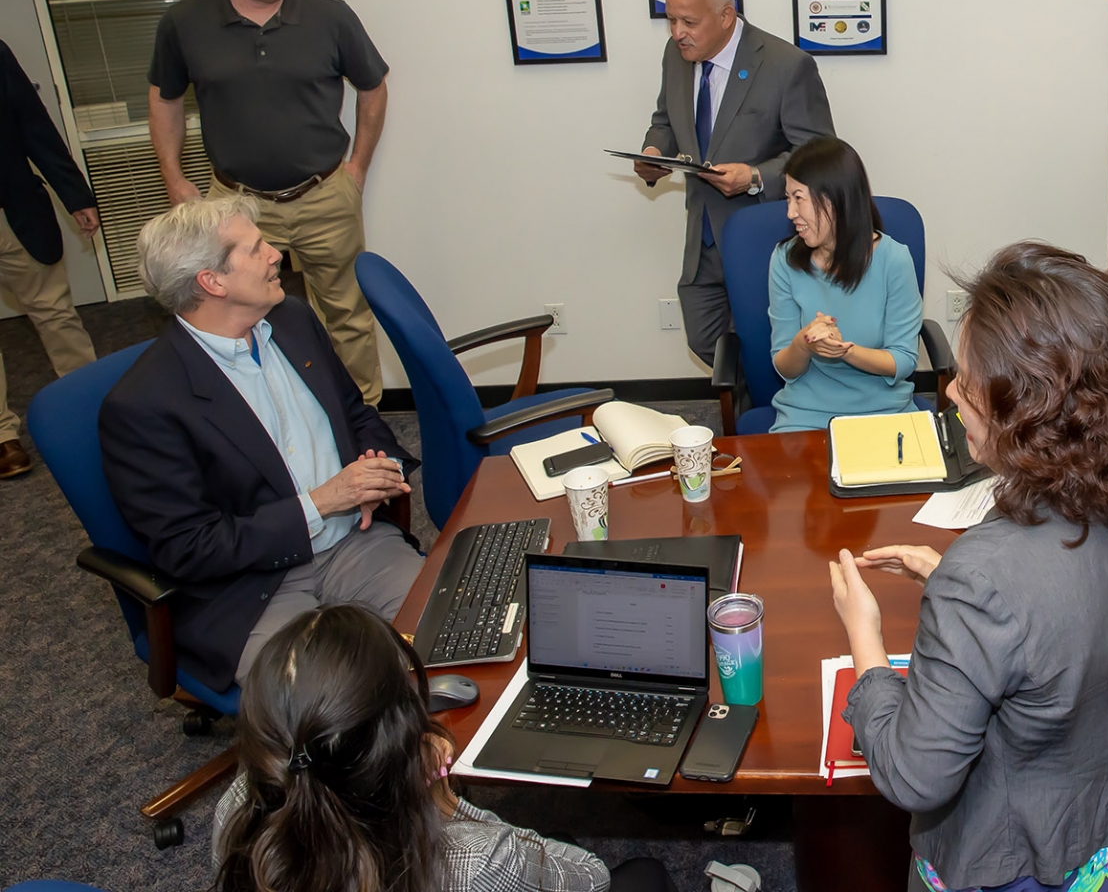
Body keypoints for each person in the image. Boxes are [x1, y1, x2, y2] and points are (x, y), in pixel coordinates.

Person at [828, 242, 1108, 892]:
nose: (951, 393)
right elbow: (1070, 629)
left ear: (1023, 409)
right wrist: (957, 588)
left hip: (1018, 861)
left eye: (965, 380)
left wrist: (865, 639)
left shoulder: (985, 577)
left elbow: (914, 774)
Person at [100, 196, 420, 692]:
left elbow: (355, 413)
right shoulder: (144, 405)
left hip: (354, 543)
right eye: (256, 248)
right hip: (253, 589)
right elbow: (188, 547)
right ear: (213, 281)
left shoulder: (292, 320)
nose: (276, 254)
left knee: (459, 632)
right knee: (334, 702)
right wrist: (319, 503)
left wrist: (378, 470)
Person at [211, 604, 679, 892]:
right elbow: (589, 877)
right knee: (642, 873)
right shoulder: (474, 861)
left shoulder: (235, 813)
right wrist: (445, 802)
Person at [148, 0, 391, 406]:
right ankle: (264, 415)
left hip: (325, 195)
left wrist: (357, 170)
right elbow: (164, 99)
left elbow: (374, 87)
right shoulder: (186, 22)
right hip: (237, 207)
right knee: (238, 313)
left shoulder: (329, 14)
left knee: (347, 313)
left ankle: (362, 415)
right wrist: (173, 177)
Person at [635, 0, 835, 365]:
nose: (678, 33)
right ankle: (750, 406)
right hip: (703, 236)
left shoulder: (786, 65)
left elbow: (821, 153)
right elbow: (665, 120)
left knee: (765, 349)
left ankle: (761, 420)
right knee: (707, 340)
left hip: (762, 236)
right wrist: (654, 152)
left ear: (726, 16)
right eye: (671, 20)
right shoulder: (676, 57)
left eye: (689, 21)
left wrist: (757, 176)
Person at [768, 137, 920, 432]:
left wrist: (844, 351)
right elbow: (783, 366)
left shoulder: (894, 260)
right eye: (787, 199)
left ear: (835, 199)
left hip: (884, 411)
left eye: (798, 198)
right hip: (806, 414)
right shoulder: (784, 260)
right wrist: (804, 343)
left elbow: (903, 360)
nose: (790, 213)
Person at [0, 37, 99, 477]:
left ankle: (96, 412)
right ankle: (2, 437)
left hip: (13, 211)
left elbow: (33, 124)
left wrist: (75, 193)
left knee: (55, 313)